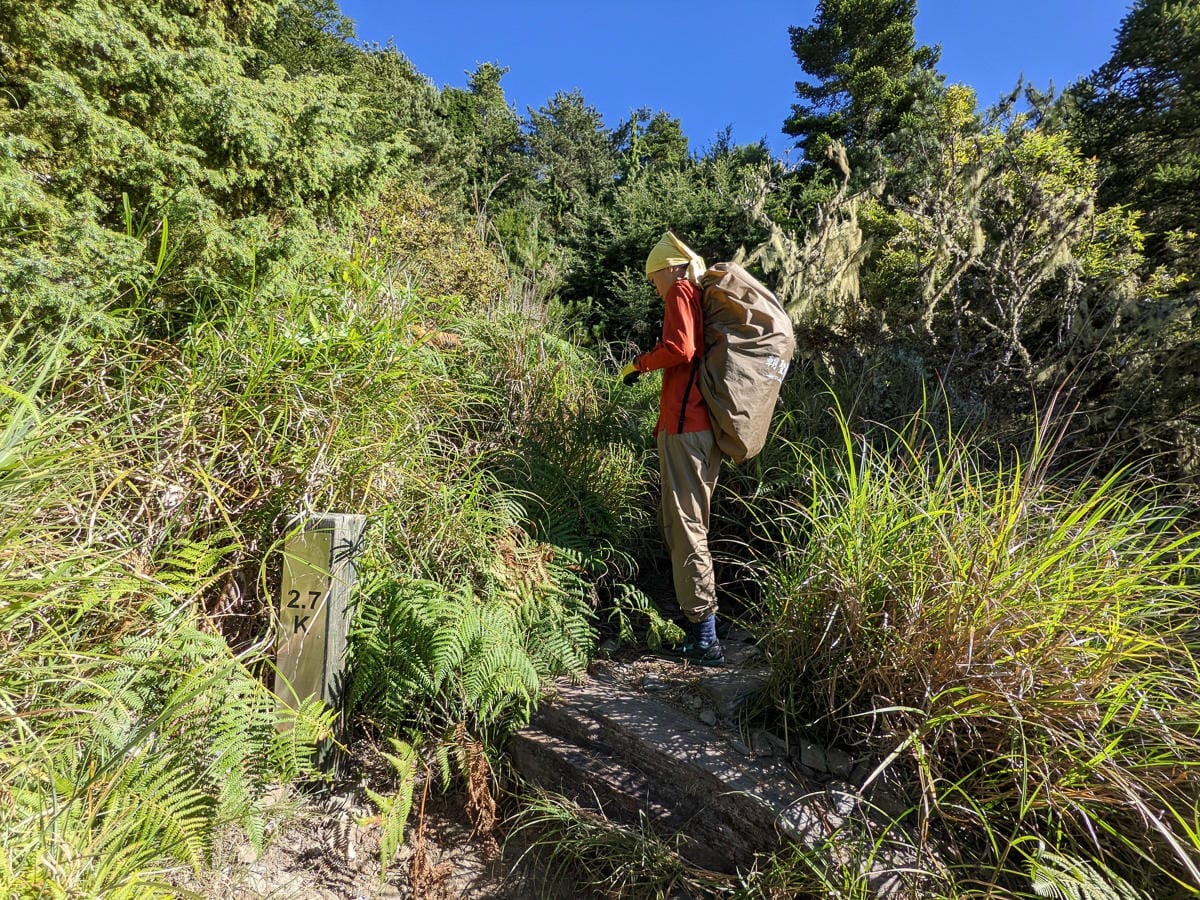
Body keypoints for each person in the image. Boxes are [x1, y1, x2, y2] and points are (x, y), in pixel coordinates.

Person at [619, 232, 724, 666]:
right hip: (694, 429)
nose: (654, 287)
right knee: (685, 523)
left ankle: (705, 638)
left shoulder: (681, 290)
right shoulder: (694, 296)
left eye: (653, 278)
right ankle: (701, 624)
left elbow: (681, 348)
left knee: (686, 527)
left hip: (687, 430)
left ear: (669, 269)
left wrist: (639, 364)